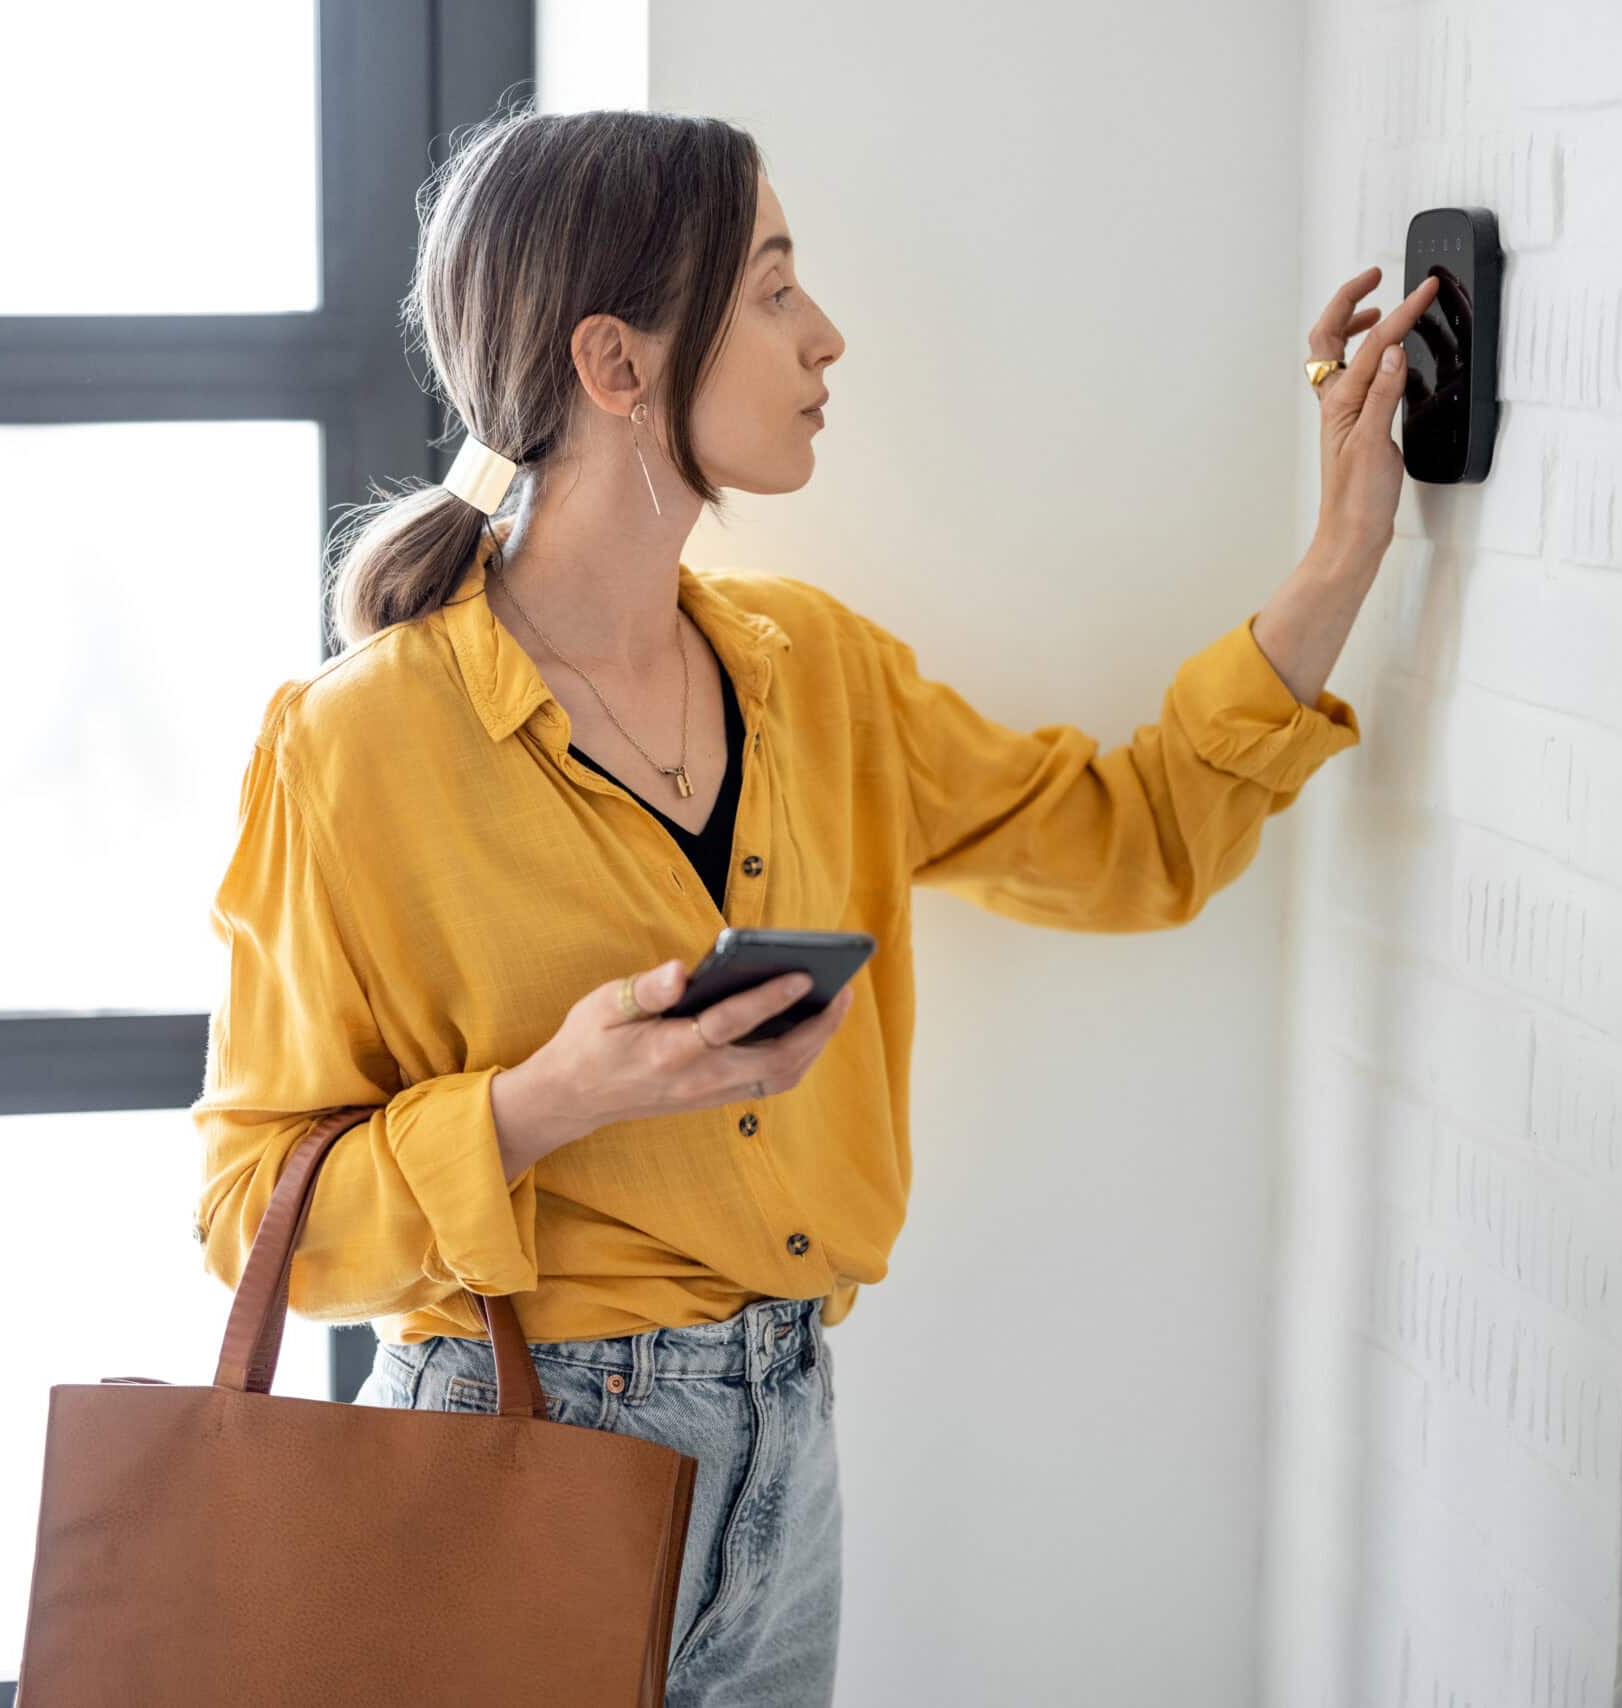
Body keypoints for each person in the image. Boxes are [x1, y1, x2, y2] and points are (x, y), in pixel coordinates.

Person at [189, 101, 1433, 1708]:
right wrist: (547, 1102)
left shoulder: (817, 670)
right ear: (615, 365)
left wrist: (1339, 553)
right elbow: (250, 1217)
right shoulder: (355, 750)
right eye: (773, 289)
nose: (825, 337)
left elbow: (1130, 840)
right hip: (514, 1449)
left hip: (791, 1447)